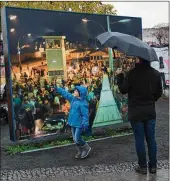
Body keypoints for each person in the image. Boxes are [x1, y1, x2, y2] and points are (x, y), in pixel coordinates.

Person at [116, 58, 162, 174]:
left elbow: (123, 90)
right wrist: (151, 100)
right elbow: (159, 93)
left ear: (139, 60)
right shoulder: (156, 74)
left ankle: (142, 167)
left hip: (136, 113)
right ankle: (153, 166)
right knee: (151, 140)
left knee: (139, 140)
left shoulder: (132, 74)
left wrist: (120, 76)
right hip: (150, 112)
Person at [54, 85, 91, 159]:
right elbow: (66, 93)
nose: (74, 91)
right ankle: (80, 150)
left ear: (81, 93)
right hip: (72, 122)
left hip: (79, 124)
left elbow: (85, 115)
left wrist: (85, 124)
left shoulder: (83, 103)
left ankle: (86, 149)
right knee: (75, 139)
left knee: (77, 138)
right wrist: (57, 88)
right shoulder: (73, 99)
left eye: (76, 91)